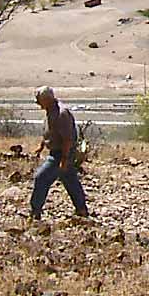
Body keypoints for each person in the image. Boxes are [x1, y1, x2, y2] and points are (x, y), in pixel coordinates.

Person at [29, 86, 88, 219]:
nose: (37, 103)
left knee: (41, 178)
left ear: (47, 99)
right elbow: (51, 133)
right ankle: (81, 209)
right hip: (57, 153)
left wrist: (64, 159)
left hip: (61, 154)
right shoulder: (50, 111)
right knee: (69, 180)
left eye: (39, 100)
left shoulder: (62, 114)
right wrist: (42, 146)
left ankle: (35, 212)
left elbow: (67, 139)